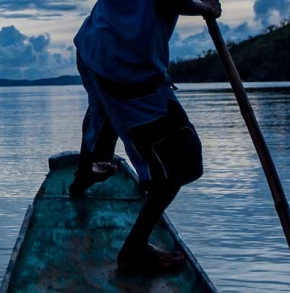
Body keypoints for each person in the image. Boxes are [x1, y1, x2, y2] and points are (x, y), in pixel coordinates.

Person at [69, 0, 222, 273]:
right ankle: (134, 251)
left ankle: (82, 179)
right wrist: (204, 8)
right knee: (182, 160)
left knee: (101, 111)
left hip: (93, 46)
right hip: (127, 67)